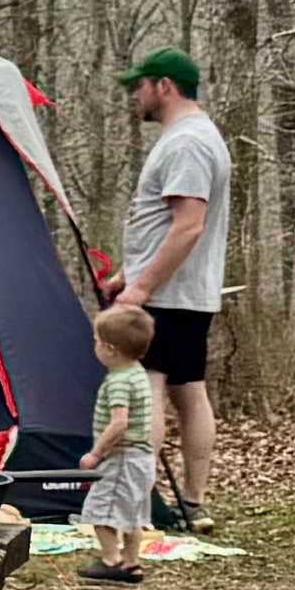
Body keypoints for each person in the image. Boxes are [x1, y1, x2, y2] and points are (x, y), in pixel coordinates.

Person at [113, 45, 231, 523]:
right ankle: (193, 503)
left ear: (164, 86)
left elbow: (188, 225)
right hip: (186, 292)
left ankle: (140, 507)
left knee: (149, 389)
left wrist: (141, 288)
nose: (134, 96)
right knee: (188, 389)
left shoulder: (186, 143)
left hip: (167, 295)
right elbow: (169, 224)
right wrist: (128, 271)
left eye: (139, 86)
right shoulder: (198, 138)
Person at [75, 298, 167, 583]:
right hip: (142, 459)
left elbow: (119, 423)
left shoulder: (118, 381)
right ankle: (131, 563)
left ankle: (110, 561)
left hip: (123, 459)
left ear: (110, 350)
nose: (95, 347)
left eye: (96, 341)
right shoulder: (138, 373)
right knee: (134, 515)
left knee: (100, 510)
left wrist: (96, 454)